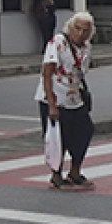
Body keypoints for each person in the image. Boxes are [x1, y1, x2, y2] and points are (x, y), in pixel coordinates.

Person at [36, 11, 96, 191]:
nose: (80, 33)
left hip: (74, 98)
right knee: (57, 137)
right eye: (77, 29)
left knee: (85, 131)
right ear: (70, 27)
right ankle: (56, 175)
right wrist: (52, 106)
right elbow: (47, 73)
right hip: (55, 97)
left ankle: (75, 172)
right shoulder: (57, 43)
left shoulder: (86, 48)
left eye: (85, 30)